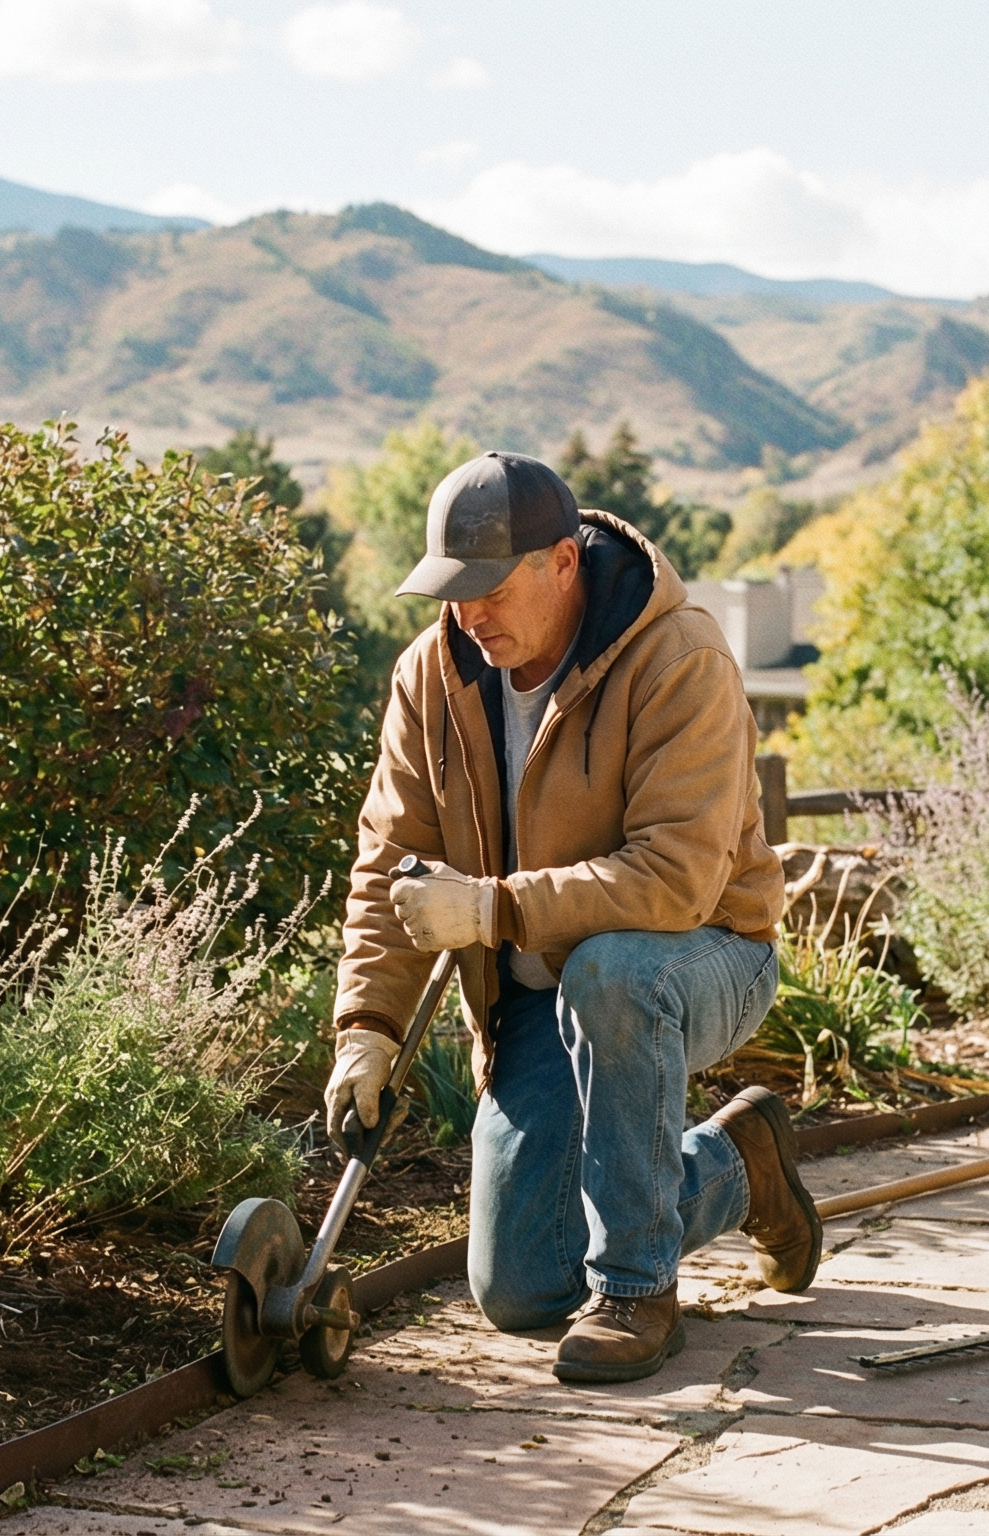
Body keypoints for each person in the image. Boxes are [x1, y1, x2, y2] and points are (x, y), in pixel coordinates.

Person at [323, 449, 821, 1383]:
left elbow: (675, 880)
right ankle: (740, 1165)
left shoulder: (681, 659)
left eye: (491, 589)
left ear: (562, 562)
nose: (470, 615)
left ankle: (636, 1291)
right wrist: (367, 1030)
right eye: (453, 592)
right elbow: (390, 863)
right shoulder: (433, 674)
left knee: (610, 971)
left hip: (703, 956)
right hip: (537, 993)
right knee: (519, 1287)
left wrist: (490, 907)